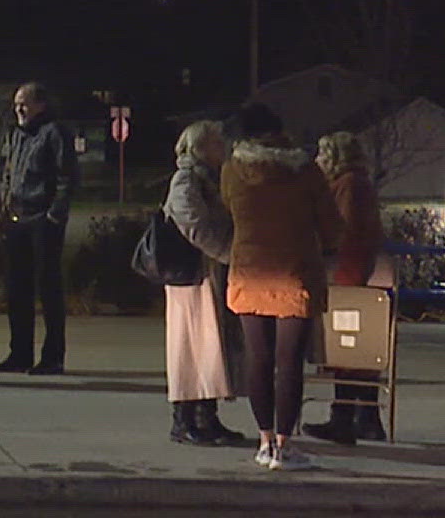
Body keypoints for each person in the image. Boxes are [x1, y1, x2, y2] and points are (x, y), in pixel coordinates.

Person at [222, 104, 342, 472]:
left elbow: (227, 210)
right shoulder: (305, 171)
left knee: (258, 360)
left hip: (249, 274)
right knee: (289, 363)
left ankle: (263, 440)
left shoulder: (233, 171)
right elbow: (331, 226)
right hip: (295, 274)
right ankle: (285, 448)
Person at [162, 120, 247, 446]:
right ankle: (185, 419)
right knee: (191, 348)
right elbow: (193, 225)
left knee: (210, 348)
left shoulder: (207, 180)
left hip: (206, 275)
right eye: (216, 144)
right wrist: (226, 253)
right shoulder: (186, 181)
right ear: (201, 148)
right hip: (192, 278)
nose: (222, 149)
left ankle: (206, 417)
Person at [0, 82, 79, 375]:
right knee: (17, 289)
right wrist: (5, 204)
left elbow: (67, 177)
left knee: (48, 289)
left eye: (24, 103)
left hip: (42, 219)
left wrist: (55, 215)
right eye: (16, 104)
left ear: (40, 104)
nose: (19, 109)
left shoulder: (54, 133)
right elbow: (10, 172)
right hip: (17, 219)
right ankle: (20, 353)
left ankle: (53, 357)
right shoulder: (18, 135)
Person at [303, 131, 387, 444]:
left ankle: (345, 417)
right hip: (353, 269)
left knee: (347, 347)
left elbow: (344, 230)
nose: (317, 161)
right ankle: (365, 417)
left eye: (322, 155)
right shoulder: (358, 183)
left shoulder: (347, 185)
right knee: (355, 347)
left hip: (345, 272)